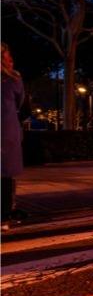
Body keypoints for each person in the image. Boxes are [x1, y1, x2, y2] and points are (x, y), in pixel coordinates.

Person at [2, 43, 28, 227]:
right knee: (6, 174)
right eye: (8, 58)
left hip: (7, 131)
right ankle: (5, 214)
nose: (11, 62)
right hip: (6, 131)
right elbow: (21, 104)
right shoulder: (12, 79)